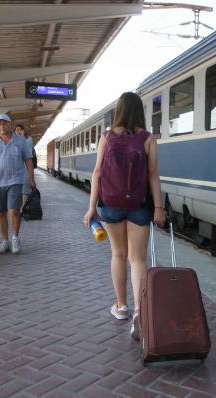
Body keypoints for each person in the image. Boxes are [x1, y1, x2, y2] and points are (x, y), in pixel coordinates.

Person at [83, 92, 166, 339]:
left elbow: (97, 172)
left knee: (118, 254)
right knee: (137, 259)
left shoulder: (106, 137)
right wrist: (159, 207)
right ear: (140, 110)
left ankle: (121, 307)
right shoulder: (148, 138)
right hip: (139, 205)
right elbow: (153, 174)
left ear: (118, 110)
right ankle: (141, 310)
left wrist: (91, 208)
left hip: (110, 204)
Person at [0, 114, 36, 254]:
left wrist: (31, 178)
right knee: (0, 213)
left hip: (15, 181)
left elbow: (28, 160)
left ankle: (15, 238)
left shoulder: (21, 141)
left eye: (5, 123)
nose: (2, 126)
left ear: (10, 125)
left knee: (14, 211)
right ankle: (4, 241)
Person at [14, 124, 37, 210]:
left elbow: (27, 153)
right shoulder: (13, 140)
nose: (17, 132)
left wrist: (21, 138)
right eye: (16, 130)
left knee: (25, 190)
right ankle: (18, 208)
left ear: (23, 130)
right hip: (16, 169)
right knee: (17, 190)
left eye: (19, 130)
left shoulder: (28, 139)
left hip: (26, 168)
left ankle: (24, 209)